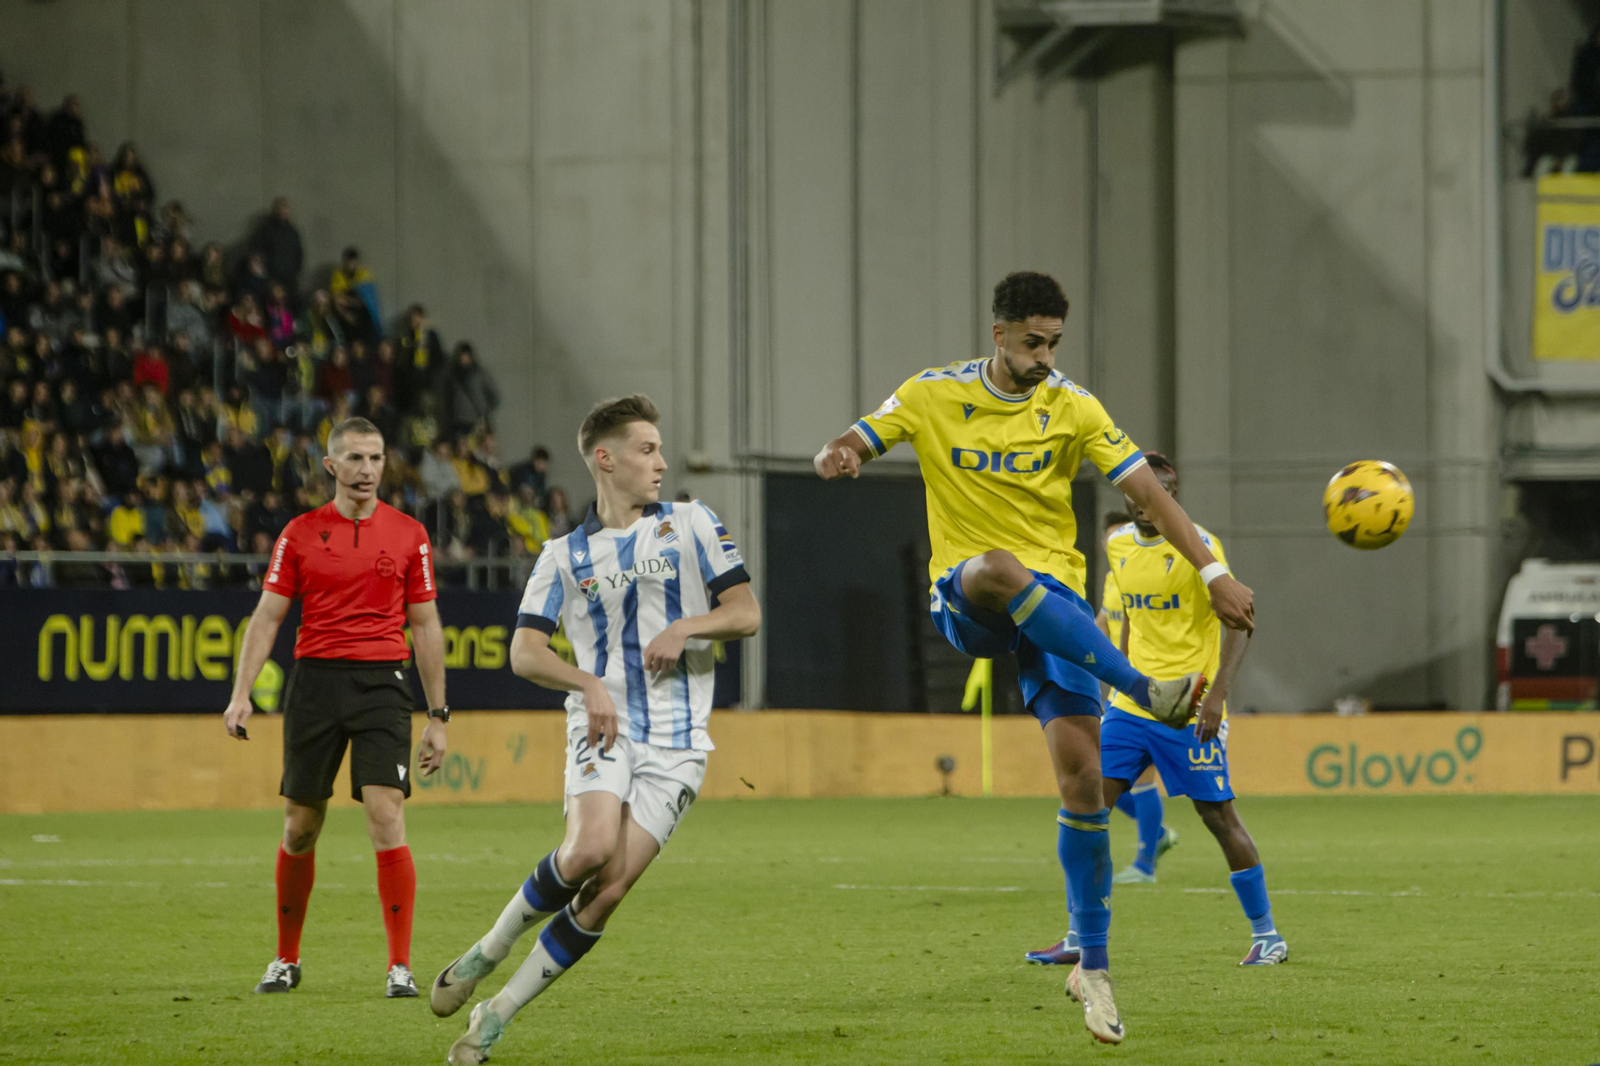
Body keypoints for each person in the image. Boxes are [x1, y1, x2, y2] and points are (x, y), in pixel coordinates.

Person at [811, 272, 1254, 1044]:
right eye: (1032, 343)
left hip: (1058, 616)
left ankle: (1095, 970)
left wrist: (1213, 572)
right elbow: (857, 436)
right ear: (999, 334)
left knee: (1084, 786)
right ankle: (1141, 685)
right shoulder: (932, 393)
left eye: (1054, 343)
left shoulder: (1075, 407)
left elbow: (1151, 495)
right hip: (970, 600)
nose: (1046, 357)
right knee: (996, 568)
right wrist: (837, 453)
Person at [432, 394, 762, 1065]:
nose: (661, 462)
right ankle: (489, 949)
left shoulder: (693, 523)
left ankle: (496, 1015)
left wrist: (685, 626)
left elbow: (745, 612)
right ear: (605, 459)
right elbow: (525, 653)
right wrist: (586, 684)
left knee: (608, 889)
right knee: (587, 851)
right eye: (647, 450)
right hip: (603, 724)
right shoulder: (563, 555)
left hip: (679, 742)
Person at [223, 416, 449, 998]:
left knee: (386, 814)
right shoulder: (299, 533)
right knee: (300, 826)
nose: (367, 469)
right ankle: (285, 958)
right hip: (316, 684)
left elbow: (426, 626)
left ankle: (399, 966)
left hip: (382, 684)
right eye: (355, 458)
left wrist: (438, 716)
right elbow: (267, 617)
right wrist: (241, 693)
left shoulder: (410, 535)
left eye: (375, 458)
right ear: (330, 465)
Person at [1038, 452, 1281, 968]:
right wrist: (1119, 680)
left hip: (1190, 706)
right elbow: (1128, 617)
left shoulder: (1200, 546)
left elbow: (1241, 621)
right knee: (1089, 810)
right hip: (1133, 704)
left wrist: (1217, 696)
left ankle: (1268, 935)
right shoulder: (1118, 545)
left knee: (1216, 816)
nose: (1150, 502)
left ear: (1173, 495)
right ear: (1128, 496)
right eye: (1142, 492)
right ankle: (1079, 934)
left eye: (1164, 491)